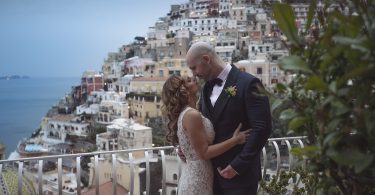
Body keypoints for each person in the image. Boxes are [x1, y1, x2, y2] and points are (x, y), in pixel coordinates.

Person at [186, 41, 272, 195]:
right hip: (211, 176)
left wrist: (238, 166)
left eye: (194, 68)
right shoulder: (206, 88)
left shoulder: (249, 83)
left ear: (206, 59)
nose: (194, 74)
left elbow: (262, 128)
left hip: (240, 177)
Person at [161, 75, 250, 195]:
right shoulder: (191, 115)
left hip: (201, 176)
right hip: (196, 182)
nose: (194, 78)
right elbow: (204, 153)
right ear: (183, 90)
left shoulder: (194, 110)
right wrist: (235, 140)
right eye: (188, 80)